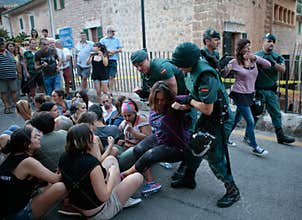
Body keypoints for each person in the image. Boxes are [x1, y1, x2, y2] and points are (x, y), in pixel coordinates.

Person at [170, 42, 240, 208]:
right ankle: (188, 179)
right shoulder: (191, 71)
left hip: (219, 119)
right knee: (193, 147)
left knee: (214, 157)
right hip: (209, 117)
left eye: (180, 65)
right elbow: (194, 98)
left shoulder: (205, 75)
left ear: (188, 62)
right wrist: (183, 104)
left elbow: (207, 108)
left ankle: (233, 191)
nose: (178, 68)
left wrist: (188, 101)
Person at [58, 123, 143, 219]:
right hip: (99, 212)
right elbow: (104, 196)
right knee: (137, 177)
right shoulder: (91, 163)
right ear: (88, 140)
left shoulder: (64, 157)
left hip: (78, 204)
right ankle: (123, 199)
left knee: (111, 159)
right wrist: (112, 174)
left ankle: (121, 195)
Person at [122, 81, 191, 195]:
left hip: (176, 145)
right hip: (160, 138)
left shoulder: (174, 104)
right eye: (157, 99)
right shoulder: (153, 103)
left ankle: (124, 175)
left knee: (149, 155)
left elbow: (192, 100)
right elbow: (149, 95)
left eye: (163, 100)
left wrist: (183, 107)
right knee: (138, 149)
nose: (160, 103)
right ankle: (151, 183)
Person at [0, 127, 65, 219]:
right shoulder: (28, 162)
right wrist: (66, 164)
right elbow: (56, 179)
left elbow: (4, 138)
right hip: (17, 214)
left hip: (7, 208)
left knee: (47, 185)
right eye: (35, 137)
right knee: (60, 187)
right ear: (27, 145)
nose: (39, 138)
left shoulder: (11, 155)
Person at [224, 39, 271, 156]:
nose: (248, 49)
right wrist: (227, 69)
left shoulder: (253, 60)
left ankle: (224, 138)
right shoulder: (235, 62)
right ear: (240, 50)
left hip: (250, 94)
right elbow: (223, 75)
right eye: (245, 47)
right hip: (239, 94)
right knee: (250, 121)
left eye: (249, 46)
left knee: (236, 118)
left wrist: (256, 58)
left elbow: (268, 65)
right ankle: (254, 146)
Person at [255, 33, 295, 144]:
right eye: (269, 41)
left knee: (276, 114)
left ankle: (280, 136)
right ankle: (248, 135)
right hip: (258, 90)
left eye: (273, 42)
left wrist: (271, 63)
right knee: (255, 113)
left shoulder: (277, 57)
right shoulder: (256, 55)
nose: (271, 43)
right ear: (263, 42)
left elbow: (283, 69)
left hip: (271, 91)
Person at [99, 26, 123, 92]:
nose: (114, 33)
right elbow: (99, 49)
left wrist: (114, 51)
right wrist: (106, 52)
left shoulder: (117, 40)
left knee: (112, 75)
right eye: (112, 32)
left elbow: (120, 49)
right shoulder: (102, 40)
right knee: (105, 76)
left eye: (113, 32)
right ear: (108, 32)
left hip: (113, 59)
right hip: (105, 59)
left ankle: (109, 90)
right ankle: (105, 89)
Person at [0, 37, 19, 114]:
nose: (3, 45)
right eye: (1, 44)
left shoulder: (8, 52)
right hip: (1, 77)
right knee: (3, 92)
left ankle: (16, 106)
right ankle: (7, 107)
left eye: (3, 43)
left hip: (12, 76)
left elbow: (15, 62)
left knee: (14, 91)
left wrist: (18, 72)